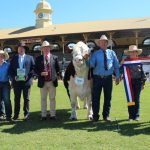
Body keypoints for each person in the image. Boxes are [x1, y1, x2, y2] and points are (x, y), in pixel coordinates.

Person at [89, 35, 120, 122]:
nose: (103, 43)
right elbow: (91, 65)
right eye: (101, 42)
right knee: (96, 98)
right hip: (97, 78)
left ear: (107, 43)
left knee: (108, 98)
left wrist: (117, 76)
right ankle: (95, 116)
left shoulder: (112, 53)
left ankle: (106, 116)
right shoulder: (95, 54)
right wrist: (87, 59)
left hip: (108, 79)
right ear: (99, 44)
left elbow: (116, 65)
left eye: (105, 42)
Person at [35, 41, 60, 120]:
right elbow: (35, 70)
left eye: (47, 47)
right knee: (43, 99)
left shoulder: (55, 57)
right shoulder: (38, 59)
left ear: (50, 48)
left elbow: (58, 69)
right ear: (42, 49)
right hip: (43, 82)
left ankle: (53, 115)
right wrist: (40, 73)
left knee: (52, 98)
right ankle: (43, 115)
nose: (46, 49)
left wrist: (55, 75)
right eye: (44, 48)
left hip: (52, 82)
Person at [9, 43, 35, 121]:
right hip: (16, 82)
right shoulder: (13, 58)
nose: (21, 49)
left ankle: (26, 114)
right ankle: (16, 115)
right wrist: (14, 77)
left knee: (26, 99)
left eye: (22, 48)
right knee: (16, 99)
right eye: (19, 48)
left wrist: (28, 76)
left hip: (26, 82)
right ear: (17, 49)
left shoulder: (30, 58)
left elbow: (33, 69)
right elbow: (10, 70)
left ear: (25, 49)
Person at [121, 45, 146, 121]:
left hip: (138, 82)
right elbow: (120, 70)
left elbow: (143, 73)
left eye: (134, 52)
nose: (132, 53)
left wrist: (143, 83)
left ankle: (137, 115)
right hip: (129, 82)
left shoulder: (140, 61)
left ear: (136, 53)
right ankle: (131, 116)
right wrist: (121, 64)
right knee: (130, 99)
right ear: (129, 53)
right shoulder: (126, 61)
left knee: (137, 99)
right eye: (131, 52)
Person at [0, 50, 12, 121]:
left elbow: (10, 75)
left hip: (5, 84)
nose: (0, 57)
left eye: (2, 56)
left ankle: (8, 116)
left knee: (7, 100)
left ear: (4, 57)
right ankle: (2, 115)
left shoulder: (8, 65)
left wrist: (12, 81)